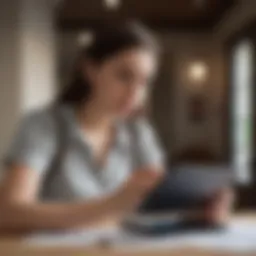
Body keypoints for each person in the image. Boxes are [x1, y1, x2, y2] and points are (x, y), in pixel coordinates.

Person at [0, 22, 233, 233]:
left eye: (144, 81)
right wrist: (112, 204)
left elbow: (157, 201)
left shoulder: (139, 131)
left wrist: (199, 209)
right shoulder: (43, 125)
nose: (135, 93)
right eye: (124, 76)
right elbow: (8, 213)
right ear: (91, 70)